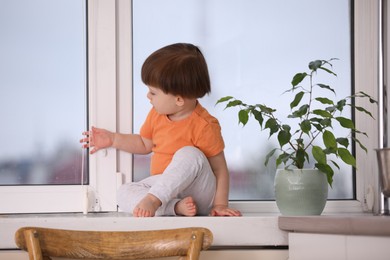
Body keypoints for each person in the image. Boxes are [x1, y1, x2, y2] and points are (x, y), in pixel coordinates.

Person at [80, 43, 241, 217]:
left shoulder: (205, 125)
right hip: (166, 190)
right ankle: (175, 208)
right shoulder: (156, 115)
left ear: (179, 100)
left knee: (189, 153)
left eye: (153, 93)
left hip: (198, 192)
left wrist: (220, 204)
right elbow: (143, 144)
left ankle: (156, 201)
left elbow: (219, 170)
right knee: (123, 192)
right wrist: (113, 139)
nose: (148, 96)